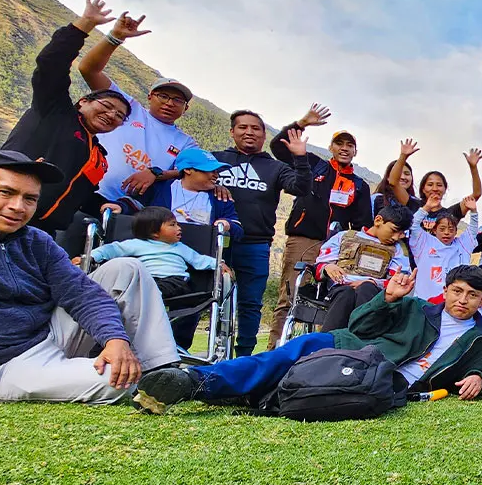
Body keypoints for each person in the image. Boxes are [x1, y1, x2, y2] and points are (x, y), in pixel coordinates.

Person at [0, 150, 178, 403]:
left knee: (126, 268)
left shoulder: (35, 240)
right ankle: (136, 378)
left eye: (29, 199)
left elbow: (82, 293)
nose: (18, 207)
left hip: (47, 335)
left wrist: (116, 340)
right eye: (6, 192)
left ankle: (164, 372)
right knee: (115, 382)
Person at [132, 266, 482, 413]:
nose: (462, 301)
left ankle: (224, 391)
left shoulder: (481, 336)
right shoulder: (418, 307)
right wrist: (387, 299)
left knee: (305, 389)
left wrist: (480, 377)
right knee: (285, 356)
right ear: (446, 290)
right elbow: (361, 325)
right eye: (457, 291)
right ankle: (196, 380)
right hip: (353, 350)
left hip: (386, 384)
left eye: (471, 296)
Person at [4, 0, 133, 236]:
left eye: (119, 116)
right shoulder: (54, 110)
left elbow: (79, 194)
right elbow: (51, 63)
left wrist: (103, 206)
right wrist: (84, 24)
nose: (111, 115)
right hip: (4, 213)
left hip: (41, 233)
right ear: (83, 101)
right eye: (106, 106)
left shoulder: (98, 155)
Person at [214, 108, 315, 356]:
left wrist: (300, 159)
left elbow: (300, 188)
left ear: (263, 134)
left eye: (255, 128)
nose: (249, 132)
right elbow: (187, 176)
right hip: (215, 241)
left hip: (255, 243)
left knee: (250, 303)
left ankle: (244, 357)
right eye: (243, 127)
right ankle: (195, 352)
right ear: (232, 131)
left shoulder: (275, 168)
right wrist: (212, 183)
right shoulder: (213, 160)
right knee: (208, 296)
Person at [266, 119, 373, 349]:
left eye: (350, 145)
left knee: (336, 298)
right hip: (306, 241)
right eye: (339, 143)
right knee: (291, 298)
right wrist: (302, 123)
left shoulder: (360, 185)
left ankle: (328, 350)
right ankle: (275, 350)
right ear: (331, 147)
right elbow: (278, 147)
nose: (344, 148)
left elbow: (364, 225)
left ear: (355, 151)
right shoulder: (315, 165)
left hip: (338, 251)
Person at [75, 11, 201, 201]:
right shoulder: (126, 106)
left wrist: (155, 173)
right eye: (163, 96)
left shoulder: (185, 142)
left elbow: (189, 170)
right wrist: (115, 37)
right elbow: (88, 69)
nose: (169, 103)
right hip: (84, 191)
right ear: (150, 97)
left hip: (130, 210)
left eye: (178, 100)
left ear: (185, 108)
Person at [86, 206, 229, 348]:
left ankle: (178, 342)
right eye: (172, 225)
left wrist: (219, 264)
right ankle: (111, 338)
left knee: (188, 307)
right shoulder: (137, 245)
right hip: (146, 280)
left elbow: (199, 260)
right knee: (130, 289)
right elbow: (112, 249)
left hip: (175, 282)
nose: (179, 228)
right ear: (154, 233)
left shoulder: (179, 247)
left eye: (177, 224)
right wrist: (91, 256)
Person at [314, 203, 413, 332]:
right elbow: (318, 266)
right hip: (341, 287)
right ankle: (328, 340)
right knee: (346, 294)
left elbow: (399, 280)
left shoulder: (398, 250)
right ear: (378, 220)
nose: (395, 237)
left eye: (401, 234)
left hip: (373, 291)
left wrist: (373, 282)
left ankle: (360, 339)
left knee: (366, 288)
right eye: (393, 230)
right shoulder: (344, 236)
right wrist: (327, 267)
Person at [111, 148, 242, 239]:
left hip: (199, 252)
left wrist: (226, 224)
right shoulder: (160, 189)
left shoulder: (220, 198)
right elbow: (134, 204)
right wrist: (121, 207)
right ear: (188, 170)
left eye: (217, 171)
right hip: (156, 248)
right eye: (209, 170)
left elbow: (238, 229)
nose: (216, 175)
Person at [406, 197, 482, 303]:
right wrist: (426, 207)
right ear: (434, 230)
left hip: (452, 305)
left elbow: (472, 229)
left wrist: (473, 211)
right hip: (423, 302)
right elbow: (413, 225)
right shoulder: (424, 242)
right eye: (442, 229)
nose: (447, 233)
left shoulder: (462, 245)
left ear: (455, 231)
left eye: (451, 229)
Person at [376, 140, 482, 217]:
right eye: (430, 184)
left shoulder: (450, 213)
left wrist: (473, 167)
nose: (435, 188)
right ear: (423, 189)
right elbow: (393, 182)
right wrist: (403, 157)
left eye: (439, 185)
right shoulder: (412, 205)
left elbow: (476, 194)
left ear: (445, 189)